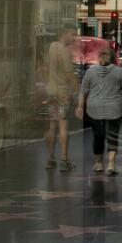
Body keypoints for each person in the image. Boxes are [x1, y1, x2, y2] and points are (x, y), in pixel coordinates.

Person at [76, 46, 122, 174]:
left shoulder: (90, 72)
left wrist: (80, 106)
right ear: (112, 58)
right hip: (115, 108)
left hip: (94, 109)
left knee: (97, 136)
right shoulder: (118, 71)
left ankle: (99, 164)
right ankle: (111, 165)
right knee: (112, 136)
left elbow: (83, 91)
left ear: (98, 57)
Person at [44, 26, 78, 171]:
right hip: (63, 94)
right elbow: (70, 74)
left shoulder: (52, 47)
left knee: (52, 126)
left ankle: (51, 158)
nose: (74, 38)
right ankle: (64, 160)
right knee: (63, 126)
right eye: (72, 35)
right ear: (64, 34)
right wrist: (77, 89)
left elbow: (45, 68)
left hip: (51, 92)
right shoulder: (64, 52)